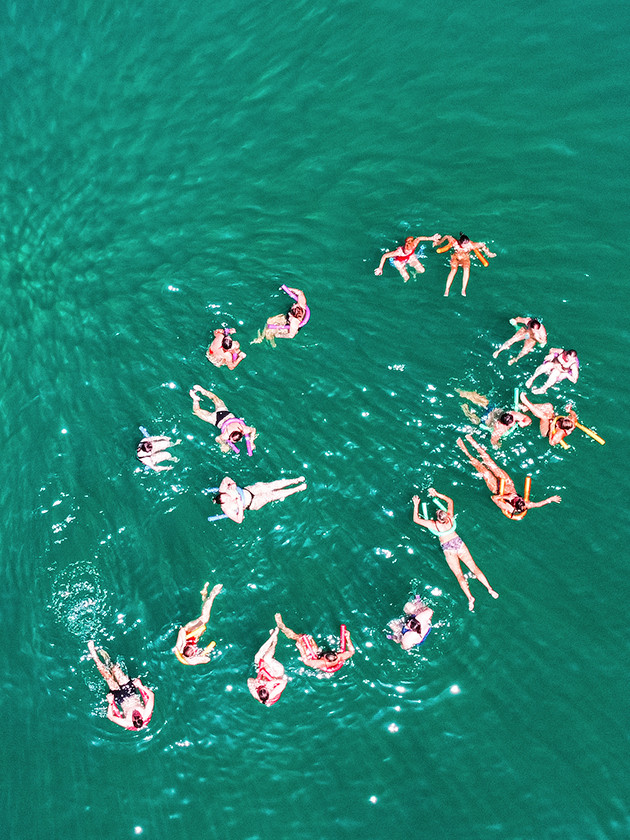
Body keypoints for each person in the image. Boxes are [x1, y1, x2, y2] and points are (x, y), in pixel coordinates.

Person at [412, 489, 498, 611]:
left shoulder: (434, 524)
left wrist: (416, 505)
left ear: (437, 519)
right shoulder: (451, 517)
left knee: (459, 575)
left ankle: (470, 598)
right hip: (458, 542)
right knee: (474, 568)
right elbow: (450, 500)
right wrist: (437, 494)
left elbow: (416, 519)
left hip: (448, 548)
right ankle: (490, 588)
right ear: (446, 515)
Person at [456, 434, 561, 520]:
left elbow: (493, 498)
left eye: (516, 499)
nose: (516, 497)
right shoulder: (526, 504)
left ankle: (464, 449)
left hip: (496, 488)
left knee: (481, 468)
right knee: (490, 462)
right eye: (519, 497)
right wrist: (551, 499)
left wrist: (506, 497)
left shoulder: (508, 507)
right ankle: (471, 440)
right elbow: (538, 504)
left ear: (514, 505)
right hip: (508, 483)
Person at [87, 641, 154, 730]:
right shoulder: (146, 713)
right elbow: (151, 695)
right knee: (115, 669)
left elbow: (110, 717)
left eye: (135, 717)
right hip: (130, 692)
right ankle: (106, 657)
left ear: (132, 721)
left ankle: (93, 653)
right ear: (142, 718)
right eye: (138, 716)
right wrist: (140, 686)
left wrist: (110, 703)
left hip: (120, 699)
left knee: (107, 676)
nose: (136, 714)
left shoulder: (126, 723)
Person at [275, 613, 355, 674]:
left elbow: (306, 661)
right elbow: (352, 651)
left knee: (300, 638)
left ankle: (281, 626)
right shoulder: (339, 657)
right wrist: (348, 637)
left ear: (324, 658)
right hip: (325, 658)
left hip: (318, 660)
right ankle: (306, 640)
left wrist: (301, 649)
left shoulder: (320, 663)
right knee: (310, 639)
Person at [189, 385, 257, 455]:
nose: (230, 440)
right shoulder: (227, 435)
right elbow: (217, 439)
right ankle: (195, 399)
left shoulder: (244, 429)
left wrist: (251, 443)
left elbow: (253, 429)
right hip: (216, 419)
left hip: (224, 413)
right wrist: (224, 445)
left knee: (215, 398)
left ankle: (202, 390)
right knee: (197, 411)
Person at [209, 475, 307, 523]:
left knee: (271, 485)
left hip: (249, 490)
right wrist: (239, 504)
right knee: (273, 495)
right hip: (252, 503)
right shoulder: (227, 509)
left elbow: (226, 478)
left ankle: (296, 480)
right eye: (228, 498)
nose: (230, 496)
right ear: (224, 502)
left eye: (227, 495)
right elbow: (239, 520)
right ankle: (297, 489)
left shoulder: (223, 489)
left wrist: (233, 483)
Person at [456, 389, 531, 446]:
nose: (514, 422)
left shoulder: (513, 414)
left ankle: (461, 392)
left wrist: (523, 423)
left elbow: (528, 420)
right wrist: (498, 445)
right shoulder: (500, 429)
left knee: (484, 402)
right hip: (485, 419)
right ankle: (463, 405)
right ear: (505, 424)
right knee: (475, 421)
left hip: (492, 409)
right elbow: (493, 441)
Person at [173, 583, 223, 665]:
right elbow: (207, 659)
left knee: (204, 618)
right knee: (203, 616)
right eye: (195, 649)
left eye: (193, 648)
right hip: (195, 636)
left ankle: (212, 595)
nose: (196, 648)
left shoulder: (180, 647)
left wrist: (183, 642)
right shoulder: (193, 660)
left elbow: (182, 631)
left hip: (189, 630)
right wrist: (199, 656)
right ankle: (204, 596)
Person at [374, 233, 441, 282]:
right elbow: (385, 256)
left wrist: (432, 238)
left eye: (408, 250)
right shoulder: (399, 252)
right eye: (406, 249)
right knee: (407, 278)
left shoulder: (413, 245)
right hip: (398, 261)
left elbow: (419, 238)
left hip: (410, 257)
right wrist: (380, 268)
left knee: (422, 270)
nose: (406, 251)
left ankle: (414, 273)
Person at [247, 627, 288, 706]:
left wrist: (255, 682)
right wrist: (271, 682)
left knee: (257, 657)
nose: (263, 686)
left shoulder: (255, 692)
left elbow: (249, 680)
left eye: (261, 688)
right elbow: (284, 682)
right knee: (267, 658)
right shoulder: (273, 693)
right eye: (265, 688)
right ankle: (274, 641)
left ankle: (272, 638)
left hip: (266, 674)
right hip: (277, 673)